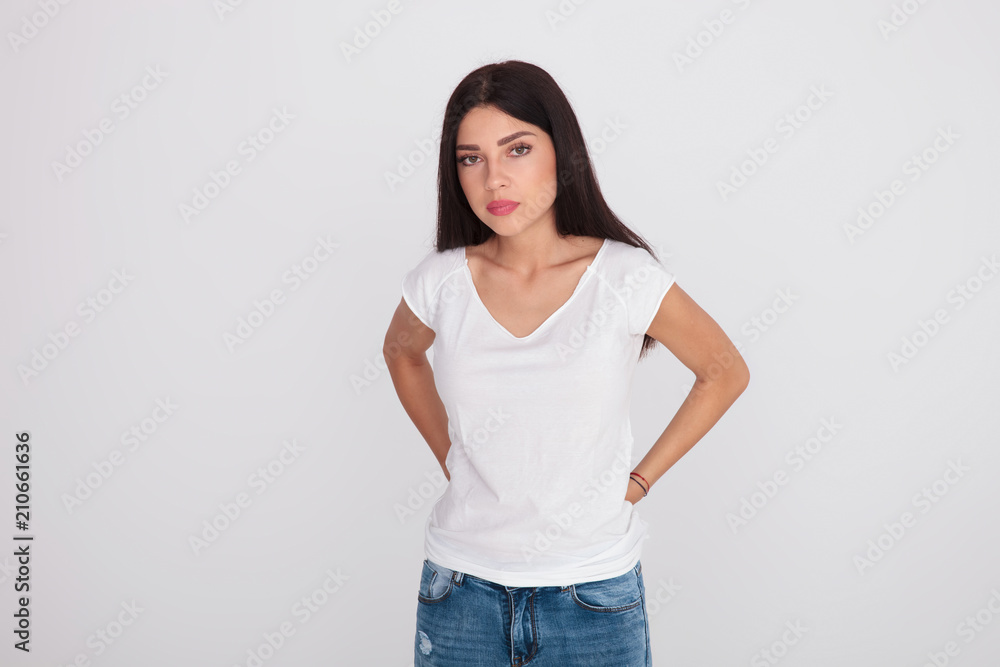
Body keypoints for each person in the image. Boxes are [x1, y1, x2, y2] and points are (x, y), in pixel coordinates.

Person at [384, 60, 750, 667]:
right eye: (470, 158)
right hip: (460, 593)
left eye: (517, 149)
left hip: (592, 596)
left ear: (563, 150)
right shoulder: (441, 281)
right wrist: (452, 455)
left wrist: (638, 482)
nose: (494, 179)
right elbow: (401, 351)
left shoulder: (624, 278)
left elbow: (724, 370)